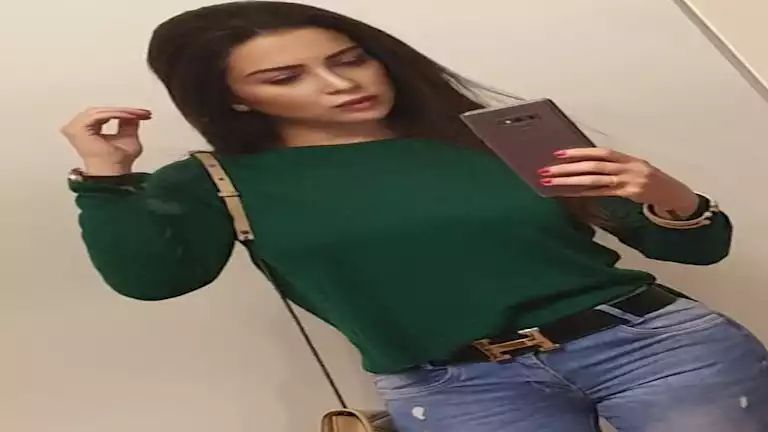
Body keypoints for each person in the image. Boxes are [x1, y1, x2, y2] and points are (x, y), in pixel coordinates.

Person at [60, 1, 768, 431]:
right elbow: (153, 282)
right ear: (236, 98)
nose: (339, 83)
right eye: (286, 77)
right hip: (454, 384)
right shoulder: (214, 181)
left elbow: (699, 248)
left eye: (350, 59)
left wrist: (667, 193)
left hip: (651, 347)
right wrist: (106, 177)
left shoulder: (496, 136)